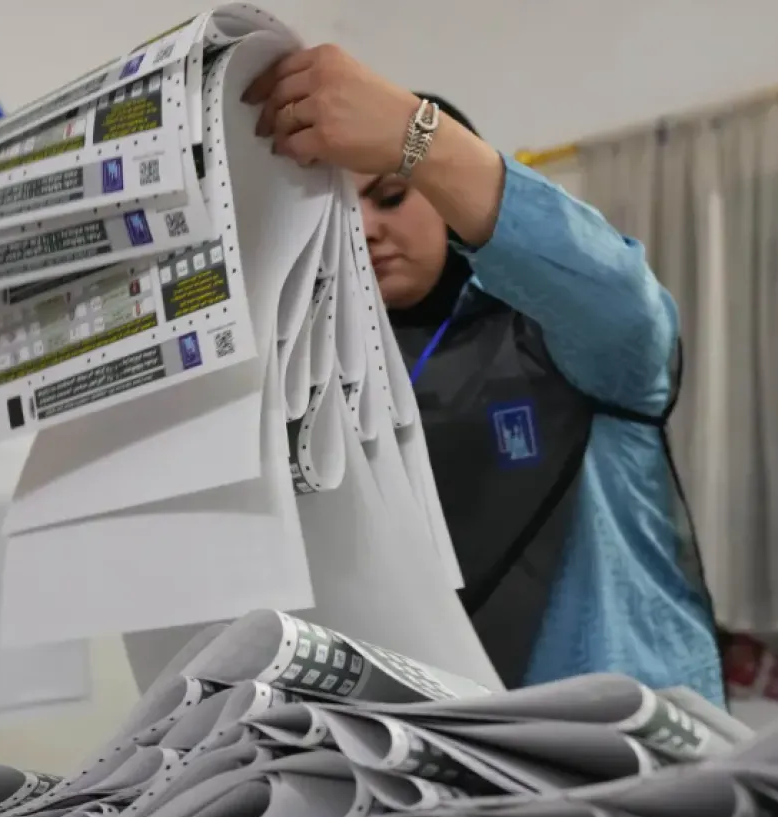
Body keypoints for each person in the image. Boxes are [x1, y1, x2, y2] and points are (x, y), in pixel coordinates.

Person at [244, 48, 724, 704]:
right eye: (341, 212)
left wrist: (420, 135)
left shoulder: (555, 334)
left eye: (390, 195)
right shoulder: (326, 370)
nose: (367, 229)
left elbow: (627, 307)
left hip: (625, 742)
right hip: (449, 757)